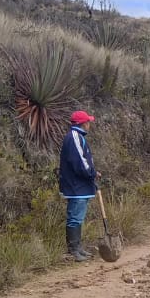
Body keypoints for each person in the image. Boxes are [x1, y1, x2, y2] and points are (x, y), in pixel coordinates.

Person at [59, 110, 99, 262]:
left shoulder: (78, 137)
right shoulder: (74, 137)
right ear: (83, 123)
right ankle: (73, 250)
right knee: (75, 217)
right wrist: (91, 173)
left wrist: (93, 172)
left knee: (78, 217)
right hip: (76, 186)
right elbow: (80, 162)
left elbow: (84, 161)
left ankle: (78, 248)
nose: (89, 124)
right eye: (88, 122)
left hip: (80, 186)